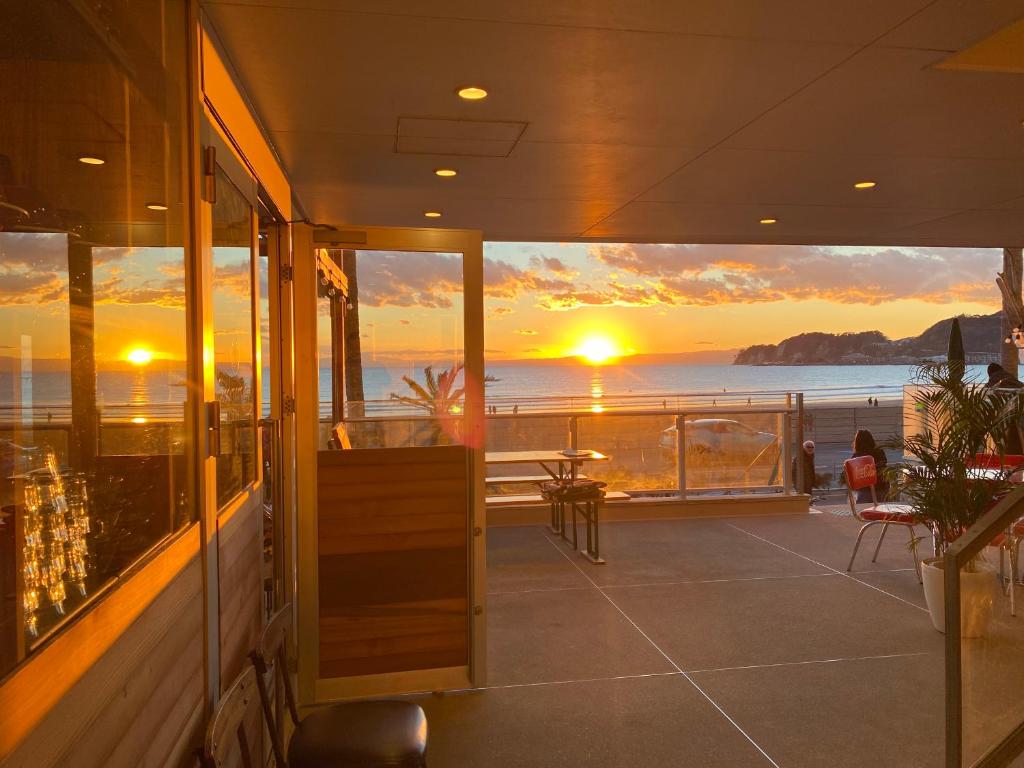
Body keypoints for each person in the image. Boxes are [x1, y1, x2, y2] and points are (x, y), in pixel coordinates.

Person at [852, 428, 888, 503]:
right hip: (881, 486)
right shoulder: (879, 452)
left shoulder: (857, 456)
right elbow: (884, 465)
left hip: (865, 488)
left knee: (864, 510)